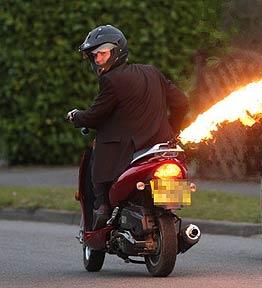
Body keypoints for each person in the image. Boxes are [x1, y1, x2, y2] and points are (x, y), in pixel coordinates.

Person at [67, 25, 189, 229]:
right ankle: (169, 215)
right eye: (94, 56)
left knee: (95, 159)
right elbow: (182, 102)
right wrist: (172, 130)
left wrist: (76, 116)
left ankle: (103, 208)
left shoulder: (111, 80)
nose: (98, 60)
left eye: (102, 54)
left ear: (117, 51)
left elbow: (95, 116)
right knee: (172, 196)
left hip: (127, 152)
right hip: (160, 147)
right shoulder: (152, 72)